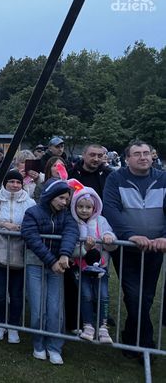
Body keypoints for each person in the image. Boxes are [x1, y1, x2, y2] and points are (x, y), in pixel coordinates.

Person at [102, 140, 166, 358]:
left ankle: (131, 339)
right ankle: (146, 345)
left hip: (155, 249)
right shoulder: (115, 179)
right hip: (127, 249)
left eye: (146, 153)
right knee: (133, 295)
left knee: (146, 297)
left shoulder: (163, 178)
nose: (143, 157)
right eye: (137, 154)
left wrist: (164, 237)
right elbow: (111, 209)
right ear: (127, 158)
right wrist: (130, 235)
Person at [21, 178, 79, 365]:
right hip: (36, 264)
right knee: (38, 308)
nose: (64, 202)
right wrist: (52, 260)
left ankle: (54, 347)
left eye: (67, 199)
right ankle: (38, 344)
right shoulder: (32, 212)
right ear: (51, 196)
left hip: (57, 267)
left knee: (55, 309)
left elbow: (71, 232)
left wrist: (64, 254)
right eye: (61, 198)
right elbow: (31, 237)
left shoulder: (66, 216)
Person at [0, 170, 35, 344]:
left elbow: (33, 224)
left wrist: (20, 229)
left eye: (18, 182)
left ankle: (14, 325)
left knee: (16, 293)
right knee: (0, 292)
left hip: (20, 252)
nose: (15, 185)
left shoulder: (29, 202)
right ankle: (0, 323)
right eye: (11, 182)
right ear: (5, 183)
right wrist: (4, 225)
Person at [70, 185, 116, 344]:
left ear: (94, 207)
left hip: (100, 267)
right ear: (74, 207)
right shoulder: (73, 223)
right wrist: (85, 248)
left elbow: (111, 237)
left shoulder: (101, 221)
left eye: (88, 207)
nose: (84, 210)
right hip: (80, 267)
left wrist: (109, 237)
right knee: (86, 295)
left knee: (103, 295)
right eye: (80, 207)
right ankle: (88, 325)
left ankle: (103, 327)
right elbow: (71, 248)